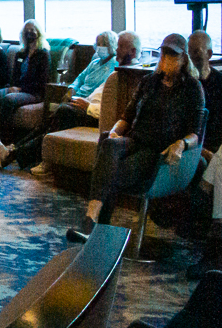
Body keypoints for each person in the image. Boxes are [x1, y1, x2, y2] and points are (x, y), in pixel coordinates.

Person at [68, 33, 205, 243]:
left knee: (109, 170)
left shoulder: (192, 88)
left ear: (183, 59)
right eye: (164, 54)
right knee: (109, 143)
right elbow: (126, 117)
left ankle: (94, 227)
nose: (166, 59)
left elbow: (196, 132)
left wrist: (181, 144)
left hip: (158, 149)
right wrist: (114, 131)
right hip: (135, 139)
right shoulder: (149, 81)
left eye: (172, 55)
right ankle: (91, 221)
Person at [0, 31, 133, 173]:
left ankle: (16, 154)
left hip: (89, 108)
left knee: (61, 113)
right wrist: (71, 90)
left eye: (102, 44)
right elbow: (79, 79)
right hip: (79, 100)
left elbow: (107, 102)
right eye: (97, 44)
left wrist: (88, 106)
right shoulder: (95, 62)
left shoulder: (116, 67)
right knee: (49, 122)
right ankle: (14, 150)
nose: (99, 47)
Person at [0, 18, 51, 148]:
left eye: (32, 30)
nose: (29, 33)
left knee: (9, 99)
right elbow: (15, 76)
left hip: (34, 92)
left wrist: (20, 89)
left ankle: (4, 140)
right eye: (27, 31)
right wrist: (12, 87)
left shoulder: (43, 54)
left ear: (38, 33)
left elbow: (42, 81)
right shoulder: (21, 53)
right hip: (18, 89)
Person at [187, 30, 222, 279]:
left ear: (209, 54)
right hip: (198, 147)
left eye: (197, 53)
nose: (192, 58)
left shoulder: (220, 83)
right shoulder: (188, 85)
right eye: (189, 53)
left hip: (215, 149)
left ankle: (213, 249)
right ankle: (214, 250)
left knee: (218, 161)